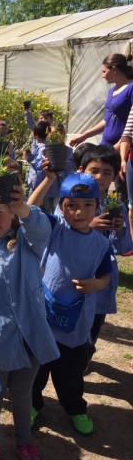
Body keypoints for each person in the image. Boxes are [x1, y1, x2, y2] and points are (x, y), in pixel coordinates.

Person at [0, 179, 59, 460]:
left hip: (31, 336)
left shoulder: (27, 244)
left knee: (22, 393)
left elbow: (41, 228)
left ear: (10, 211)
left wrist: (24, 208)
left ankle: (25, 442)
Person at [28, 172, 112, 436]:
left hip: (75, 324)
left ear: (97, 206)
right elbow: (30, 209)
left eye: (88, 205)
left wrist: (95, 285)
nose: (79, 212)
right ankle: (31, 404)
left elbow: (106, 276)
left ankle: (76, 408)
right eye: (72, 205)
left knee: (70, 376)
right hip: (44, 317)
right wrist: (49, 178)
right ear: (61, 206)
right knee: (35, 372)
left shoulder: (100, 244)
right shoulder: (54, 228)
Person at [77, 146, 133, 354]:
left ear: (115, 175)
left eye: (107, 172)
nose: (100, 177)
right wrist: (89, 225)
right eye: (94, 171)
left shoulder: (115, 205)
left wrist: (119, 230)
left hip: (102, 275)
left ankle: (84, 357)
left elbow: (124, 247)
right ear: (82, 170)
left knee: (94, 323)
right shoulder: (71, 201)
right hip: (76, 272)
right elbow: (59, 236)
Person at [70, 54, 133, 149]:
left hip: (123, 149)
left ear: (114, 70)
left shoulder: (131, 88)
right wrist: (84, 135)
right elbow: (106, 120)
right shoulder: (111, 91)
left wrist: (117, 147)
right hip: (106, 145)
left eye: (104, 72)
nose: (102, 76)